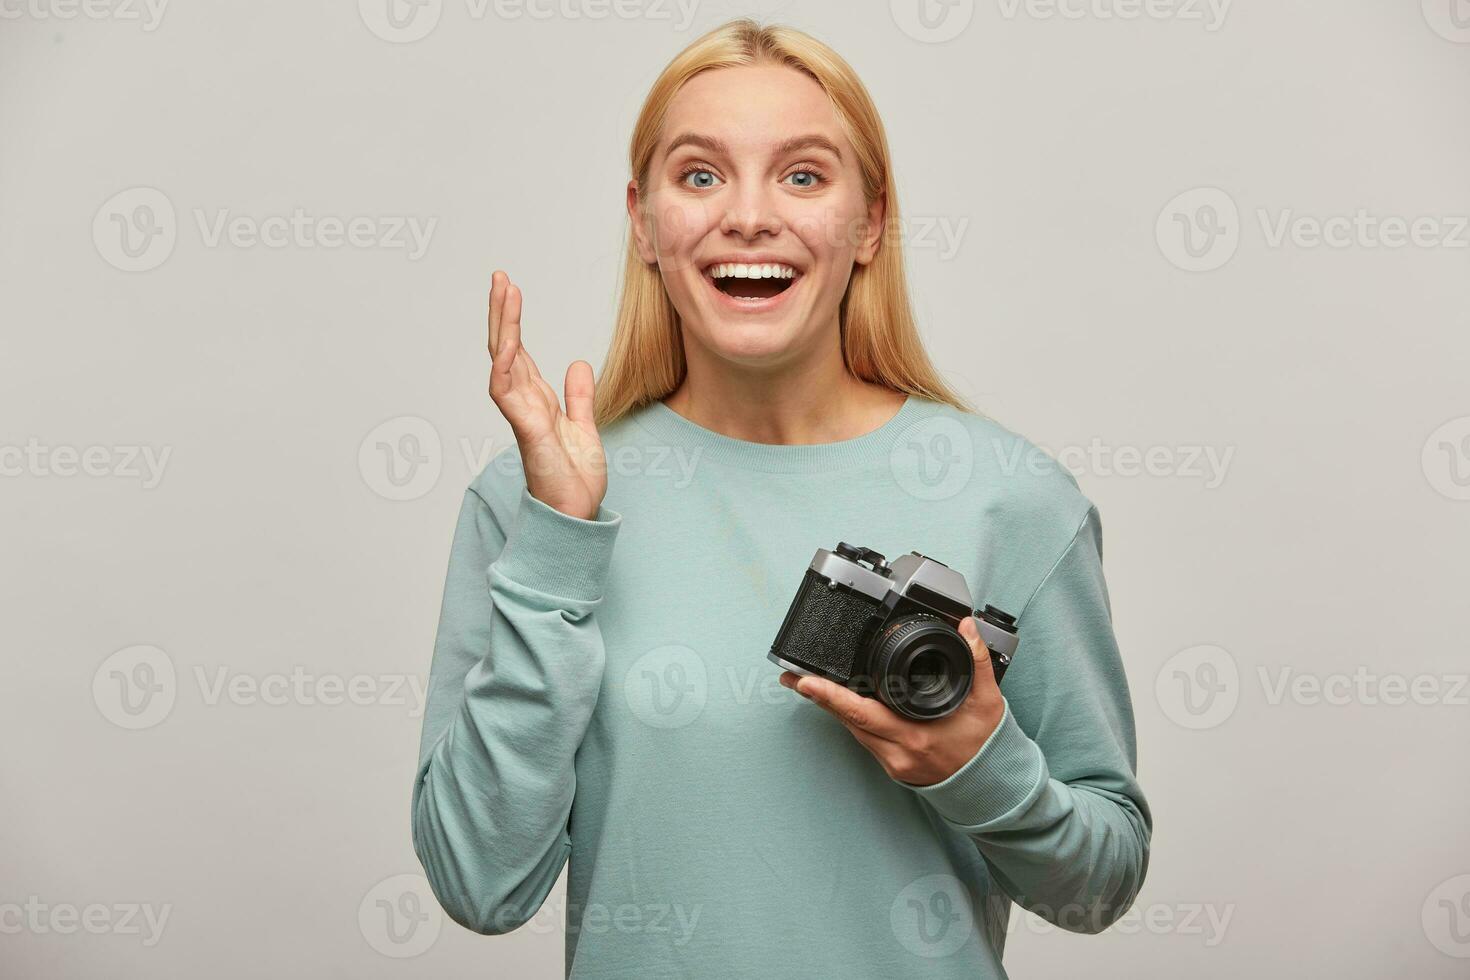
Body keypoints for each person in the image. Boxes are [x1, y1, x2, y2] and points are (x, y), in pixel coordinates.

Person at [411, 18, 1151, 978]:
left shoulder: (1010, 498)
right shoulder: (537, 495)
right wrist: (558, 541)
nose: (749, 217)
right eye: (701, 175)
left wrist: (977, 764)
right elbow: (477, 883)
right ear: (643, 221)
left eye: (802, 175)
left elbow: (1101, 885)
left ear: (870, 223)